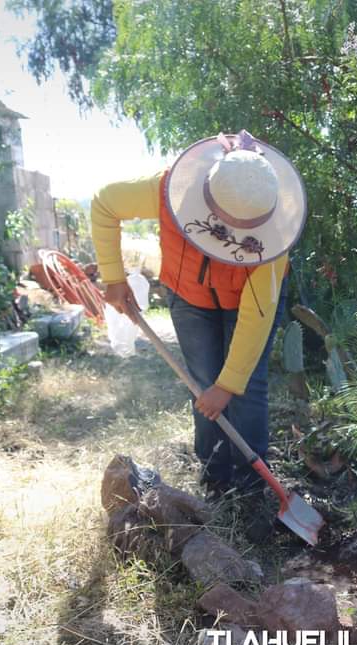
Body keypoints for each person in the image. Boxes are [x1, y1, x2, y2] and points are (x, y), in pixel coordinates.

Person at [91, 130, 306, 521]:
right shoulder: (167, 187)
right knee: (203, 386)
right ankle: (215, 479)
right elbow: (105, 203)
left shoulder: (275, 239)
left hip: (245, 300)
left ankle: (251, 490)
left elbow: (256, 317)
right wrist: (114, 277)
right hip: (189, 296)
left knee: (245, 387)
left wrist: (228, 385)